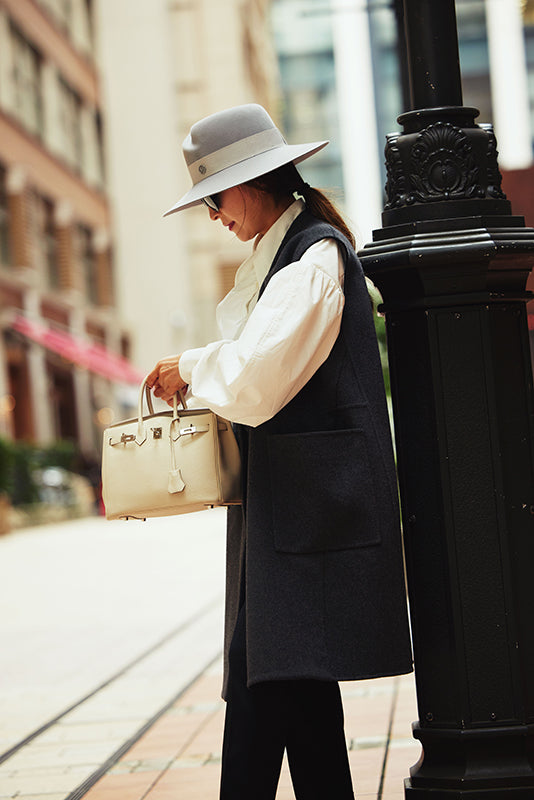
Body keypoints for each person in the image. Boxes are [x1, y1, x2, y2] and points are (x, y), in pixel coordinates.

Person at [147, 103, 412, 800]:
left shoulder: (314, 255)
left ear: (253, 180)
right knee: (278, 679)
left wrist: (190, 365)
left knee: (277, 676)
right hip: (294, 507)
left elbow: (255, 381)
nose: (212, 216)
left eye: (214, 197)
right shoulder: (290, 253)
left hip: (311, 512)